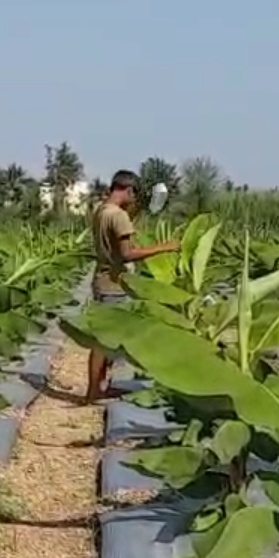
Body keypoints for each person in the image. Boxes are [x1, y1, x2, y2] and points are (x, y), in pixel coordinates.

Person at [85, 169, 179, 402]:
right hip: (114, 283)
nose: (135, 199)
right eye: (134, 194)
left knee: (107, 339)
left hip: (102, 278)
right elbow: (127, 254)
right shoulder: (118, 216)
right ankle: (94, 390)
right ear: (127, 189)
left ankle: (100, 386)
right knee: (103, 340)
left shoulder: (101, 210)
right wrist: (165, 247)